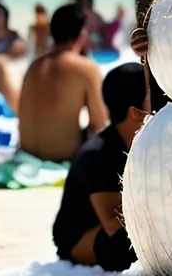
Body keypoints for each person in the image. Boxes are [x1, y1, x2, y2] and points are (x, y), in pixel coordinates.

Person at [52, 63, 149, 271]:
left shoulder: (137, 143)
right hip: (82, 236)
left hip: (111, 228)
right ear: (135, 113)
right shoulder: (100, 154)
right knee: (125, 247)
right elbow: (115, 224)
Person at [18, 4, 109, 162]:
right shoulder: (86, 68)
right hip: (59, 158)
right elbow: (99, 123)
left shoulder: (34, 66)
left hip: (25, 155)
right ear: (81, 33)